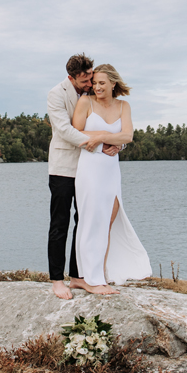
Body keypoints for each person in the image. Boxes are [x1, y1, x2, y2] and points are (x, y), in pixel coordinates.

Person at [47, 53, 121, 299]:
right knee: (60, 223)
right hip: (64, 168)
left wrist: (118, 144)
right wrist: (101, 145)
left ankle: (78, 276)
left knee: (86, 221)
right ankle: (57, 280)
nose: (90, 84)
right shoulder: (56, 94)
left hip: (90, 170)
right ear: (71, 78)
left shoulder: (93, 94)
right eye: (85, 80)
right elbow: (65, 130)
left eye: (91, 77)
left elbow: (111, 125)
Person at [72, 64, 151, 294]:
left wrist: (107, 139)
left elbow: (128, 136)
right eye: (94, 83)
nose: (96, 87)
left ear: (113, 83)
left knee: (107, 222)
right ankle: (90, 279)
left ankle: (101, 275)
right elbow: (75, 133)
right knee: (90, 222)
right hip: (90, 168)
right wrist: (108, 138)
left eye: (101, 83)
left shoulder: (123, 106)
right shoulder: (86, 102)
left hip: (111, 171)